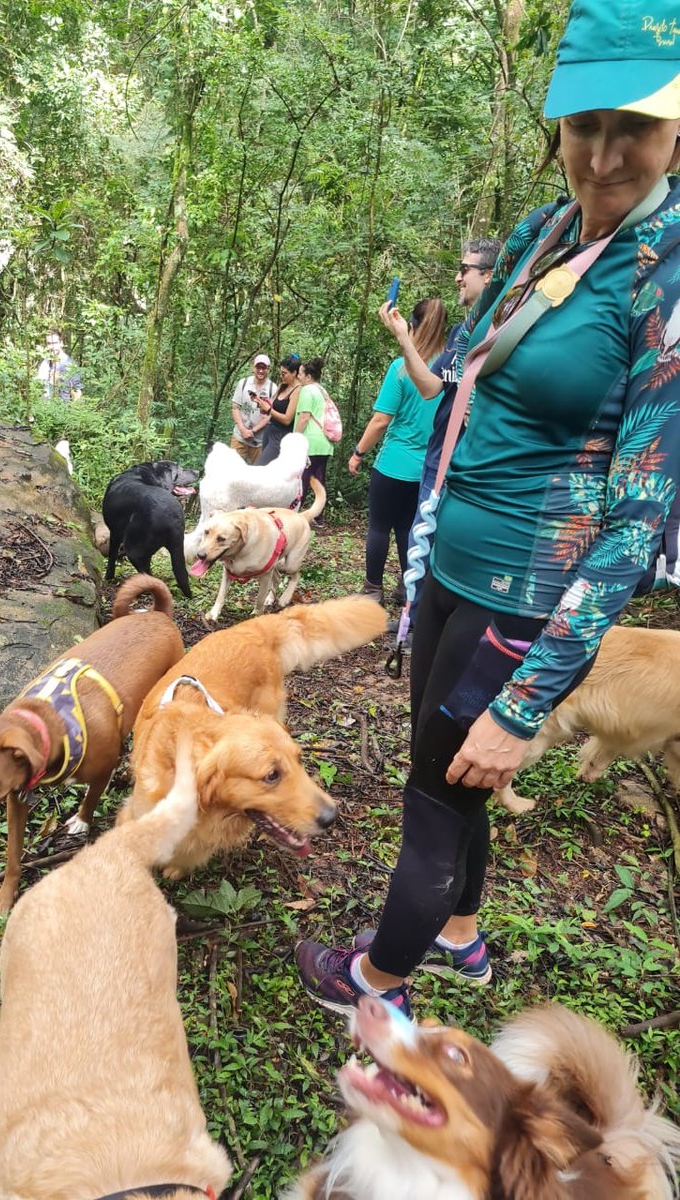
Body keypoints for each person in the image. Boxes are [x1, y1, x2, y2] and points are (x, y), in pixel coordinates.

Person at [296, 0, 680, 1019]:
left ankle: (375, 985)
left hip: (530, 594)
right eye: (583, 126)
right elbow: (471, 372)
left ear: (675, 127)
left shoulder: (665, 274)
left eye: (634, 127)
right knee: (451, 778)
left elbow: (640, 522)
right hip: (456, 567)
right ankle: (461, 939)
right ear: (556, 124)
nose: (603, 158)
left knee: (434, 797)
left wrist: (527, 703)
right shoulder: (545, 230)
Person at [380, 240, 502, 621]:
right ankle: (415, 627)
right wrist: (403, 337)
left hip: (477, 467)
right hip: (440, 461)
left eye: (465, 269)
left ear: (489, 275)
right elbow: (431, 387)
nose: (457, 277)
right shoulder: (462, 333)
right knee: (425, 545)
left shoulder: (506, 328)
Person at [349, 298, 448, 605]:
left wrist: (358, 452)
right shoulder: (450, 367)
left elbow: (380, 420)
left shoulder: (401, 368)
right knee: (409, 529)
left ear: (411, 326)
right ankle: (408, 588)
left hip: (393, 464)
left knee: (379, 526)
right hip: (429, 468)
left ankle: (372, 589)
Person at [295, 357, 335, 523]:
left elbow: (304, 417)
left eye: (301, 374)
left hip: (309, 442)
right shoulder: (321, 390)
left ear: (308, 377)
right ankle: (319, 516)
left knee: (302, 480)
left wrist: (293, 438)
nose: (298, 376)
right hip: (324, 441)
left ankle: (293, 515)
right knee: (319, 479)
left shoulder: (307, 390)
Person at [230, 353, 276, 463]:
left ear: (268, 369)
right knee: (232, 471)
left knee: (259, 475)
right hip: (239, 437)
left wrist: (252, 431)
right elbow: (235, 407)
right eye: (258, 367)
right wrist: (242, 429)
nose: (261, 371)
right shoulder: (244, 383)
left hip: (259, 441)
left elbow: (270, 415)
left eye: (264, 368)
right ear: (253, 367)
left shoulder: (272, 389)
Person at [256, 353, 302, 464]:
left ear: (294, 373)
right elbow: (272, 406)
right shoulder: (283, 386)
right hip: (269, 430)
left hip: (281, 436)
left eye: (284, 374)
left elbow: (287, 419)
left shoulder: (297, 390)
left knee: (260, 468)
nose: (282, 376)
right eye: (281, 373)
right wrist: (262, 404)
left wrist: (269, 410)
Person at [36, 331, 83, 402]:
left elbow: (77, 391)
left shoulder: (69, 364)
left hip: (62, 409)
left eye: (54, 343)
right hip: (44, 408)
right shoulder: (45, 363)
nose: (51, 347)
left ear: (61, 343)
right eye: (49, 343)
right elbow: (39, 387)